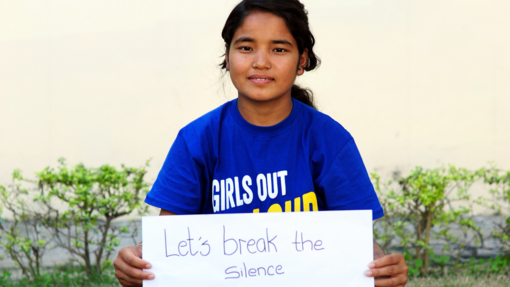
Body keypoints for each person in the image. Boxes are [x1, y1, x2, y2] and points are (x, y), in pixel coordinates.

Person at [114, 0, 408, 286]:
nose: (261, 62)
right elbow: (169, 241)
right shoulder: (196, 140)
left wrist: (382, 269)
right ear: (227, 58)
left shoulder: (330, 141)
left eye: (279, 49)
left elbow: (356, 244)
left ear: (302, 60)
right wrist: (136, 261)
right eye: (246, 47)